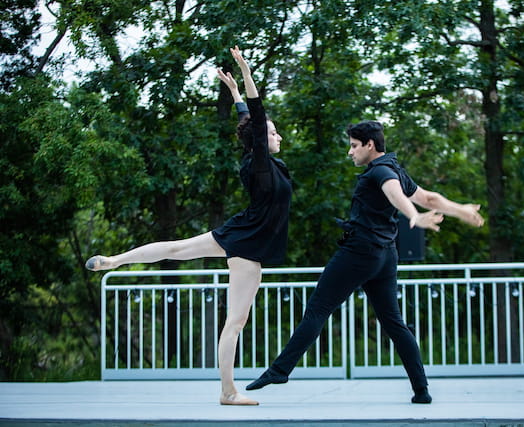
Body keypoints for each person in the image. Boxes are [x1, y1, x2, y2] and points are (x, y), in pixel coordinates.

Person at [85, 46, 292, 406]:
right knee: (236, 322)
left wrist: (234, 95)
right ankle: (228, 391)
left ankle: (115, 260)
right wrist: (244, 71)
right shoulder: (259, 162)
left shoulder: (254, 160)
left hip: (242, 231)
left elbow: (248, 118)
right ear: (260, 139)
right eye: (273, 134)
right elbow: (257, 117)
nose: (277, 137)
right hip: (249, 243)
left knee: (177, 249)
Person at [245, 120, 484, 404]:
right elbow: (429, 197)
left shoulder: (382, 171)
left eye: (354, 146)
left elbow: (394, 193)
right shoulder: (395, 168)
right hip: (384, 256)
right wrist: (461, 210)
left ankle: (279, 370)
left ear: (370, 145)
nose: (350, 152)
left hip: (359, 253)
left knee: (318, 309)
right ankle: (421, 390)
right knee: (394, 323)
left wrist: (412, 215)